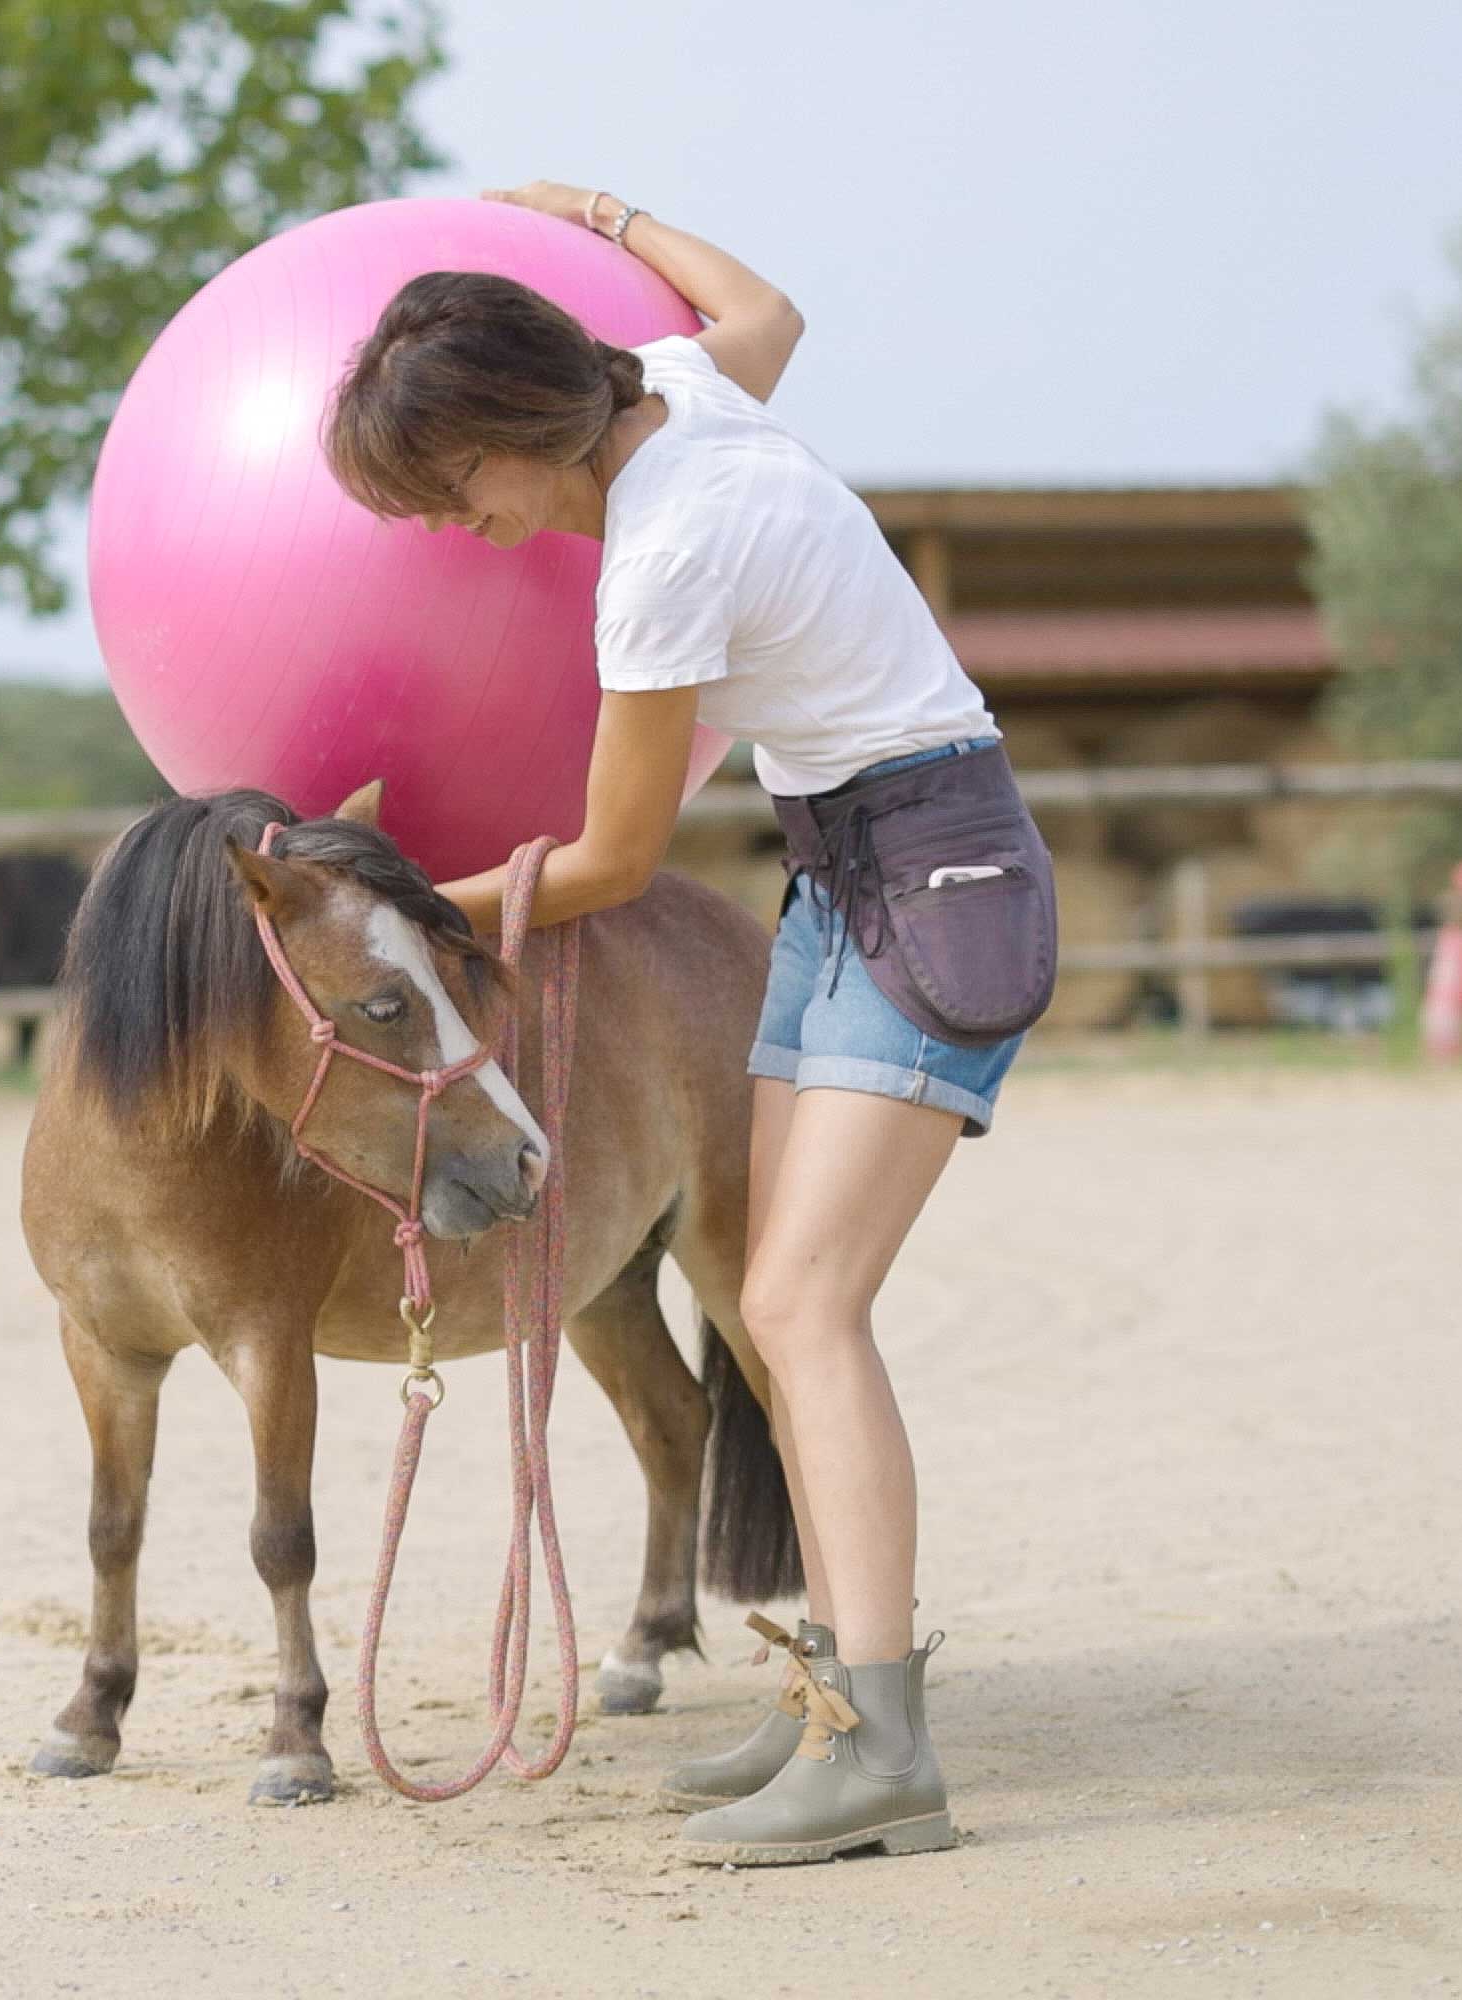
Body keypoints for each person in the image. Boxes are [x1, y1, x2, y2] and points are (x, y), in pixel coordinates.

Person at [322, 180, 1058, 1867]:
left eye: (455, 488)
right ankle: (835, 1702)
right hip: (847, 874)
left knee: (802, 1306)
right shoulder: (681, 396)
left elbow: (615, 860)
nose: (459, 526)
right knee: (768, 1305)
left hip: (933, 881)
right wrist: (598, 208)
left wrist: (396, 912)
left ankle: (888, 1754)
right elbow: (770, 311)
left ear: (523, 430)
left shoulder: (660, 556)